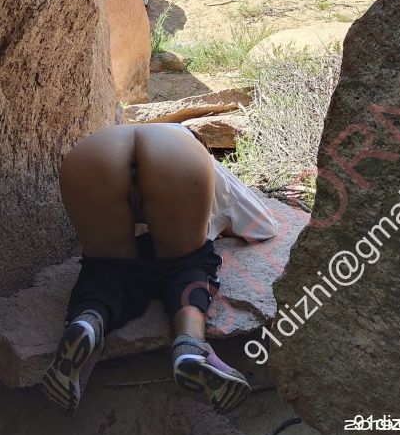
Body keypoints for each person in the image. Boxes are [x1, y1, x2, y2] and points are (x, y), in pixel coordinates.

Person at [41, 121, 277, 416]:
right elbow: (263, 226)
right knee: (189, 262)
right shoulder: (191, 149)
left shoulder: (120, 135)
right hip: (175, 158)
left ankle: (87, 323)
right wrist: (213, 222)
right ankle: (191, 344)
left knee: (106, 267)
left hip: (92, 154)